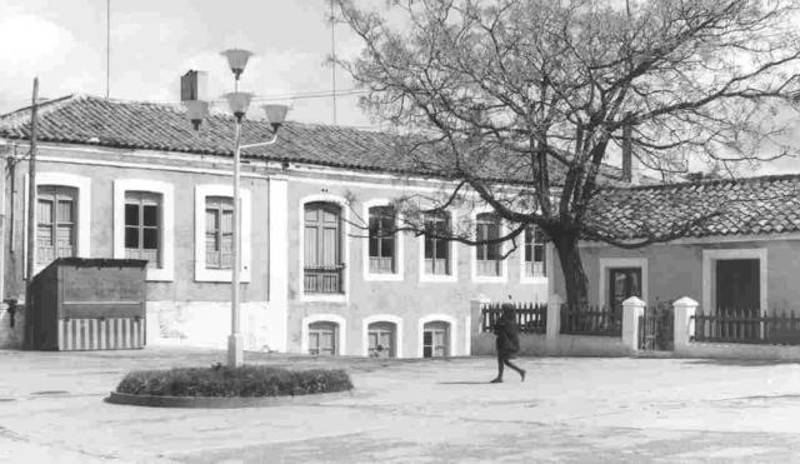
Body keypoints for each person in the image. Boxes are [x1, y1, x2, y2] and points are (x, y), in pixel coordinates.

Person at [491, 303, 526, 383]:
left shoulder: (505, 320)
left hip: (505, 343)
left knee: (501, 360)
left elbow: (498, 330)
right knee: (504, 361)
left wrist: (497, 324)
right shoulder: (511, 320)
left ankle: (500, 377)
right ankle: (520, 371)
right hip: (509, 343)